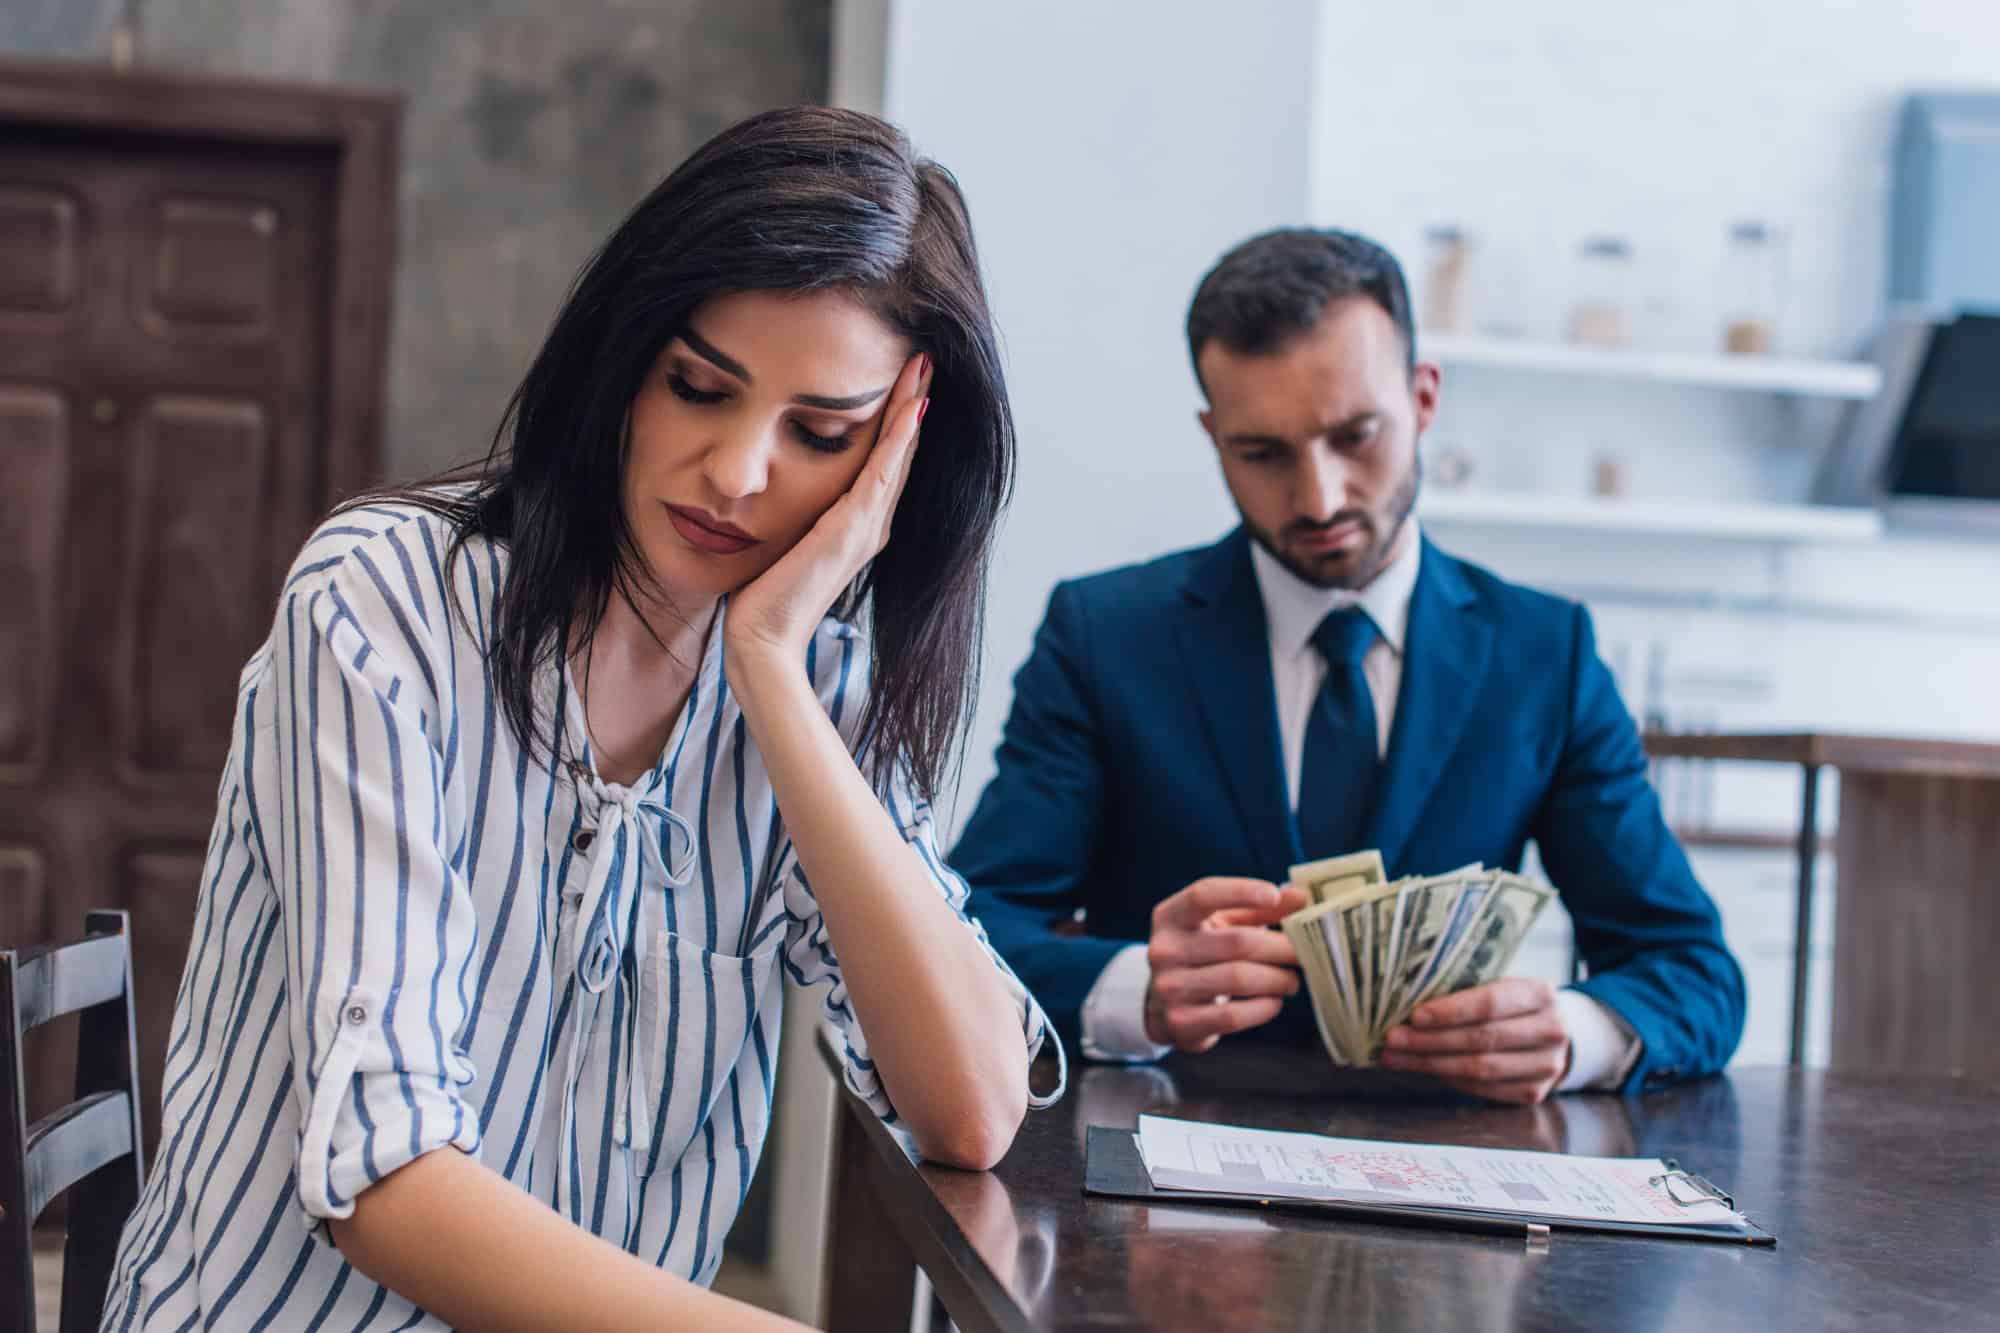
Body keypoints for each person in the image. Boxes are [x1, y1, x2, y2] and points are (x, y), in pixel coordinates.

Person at [104, 107, 1061, 1333]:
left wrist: (769, 670)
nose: (737, 472)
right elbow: (381, 1177)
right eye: (698, 388)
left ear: (889, 458)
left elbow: (972, 1110)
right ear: (622, 355)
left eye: (819, 434)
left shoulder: (813, 691)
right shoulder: (380, 600)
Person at [954, 228, 1742, 1105]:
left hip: (1449, 1176)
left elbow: (1695, 971)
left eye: (1355, 436)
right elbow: (967, 927)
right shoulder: (1104, 635)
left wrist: (1578, 1034)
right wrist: (1133, 988)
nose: (1318, 498)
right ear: (1213, 437)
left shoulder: (1542, 655)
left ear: (1425, 397)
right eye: (1263, 454)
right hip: (1157, 1181)